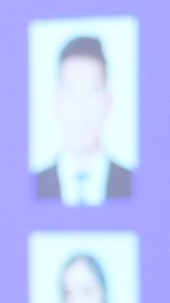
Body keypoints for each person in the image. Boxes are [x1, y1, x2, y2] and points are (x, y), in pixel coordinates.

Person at [31, 35, 133, 202]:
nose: (82, 109)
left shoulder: (131, 184)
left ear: (108, 101)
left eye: (93, 92)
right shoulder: (34, 186)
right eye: (71, 92)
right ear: (56, 102)